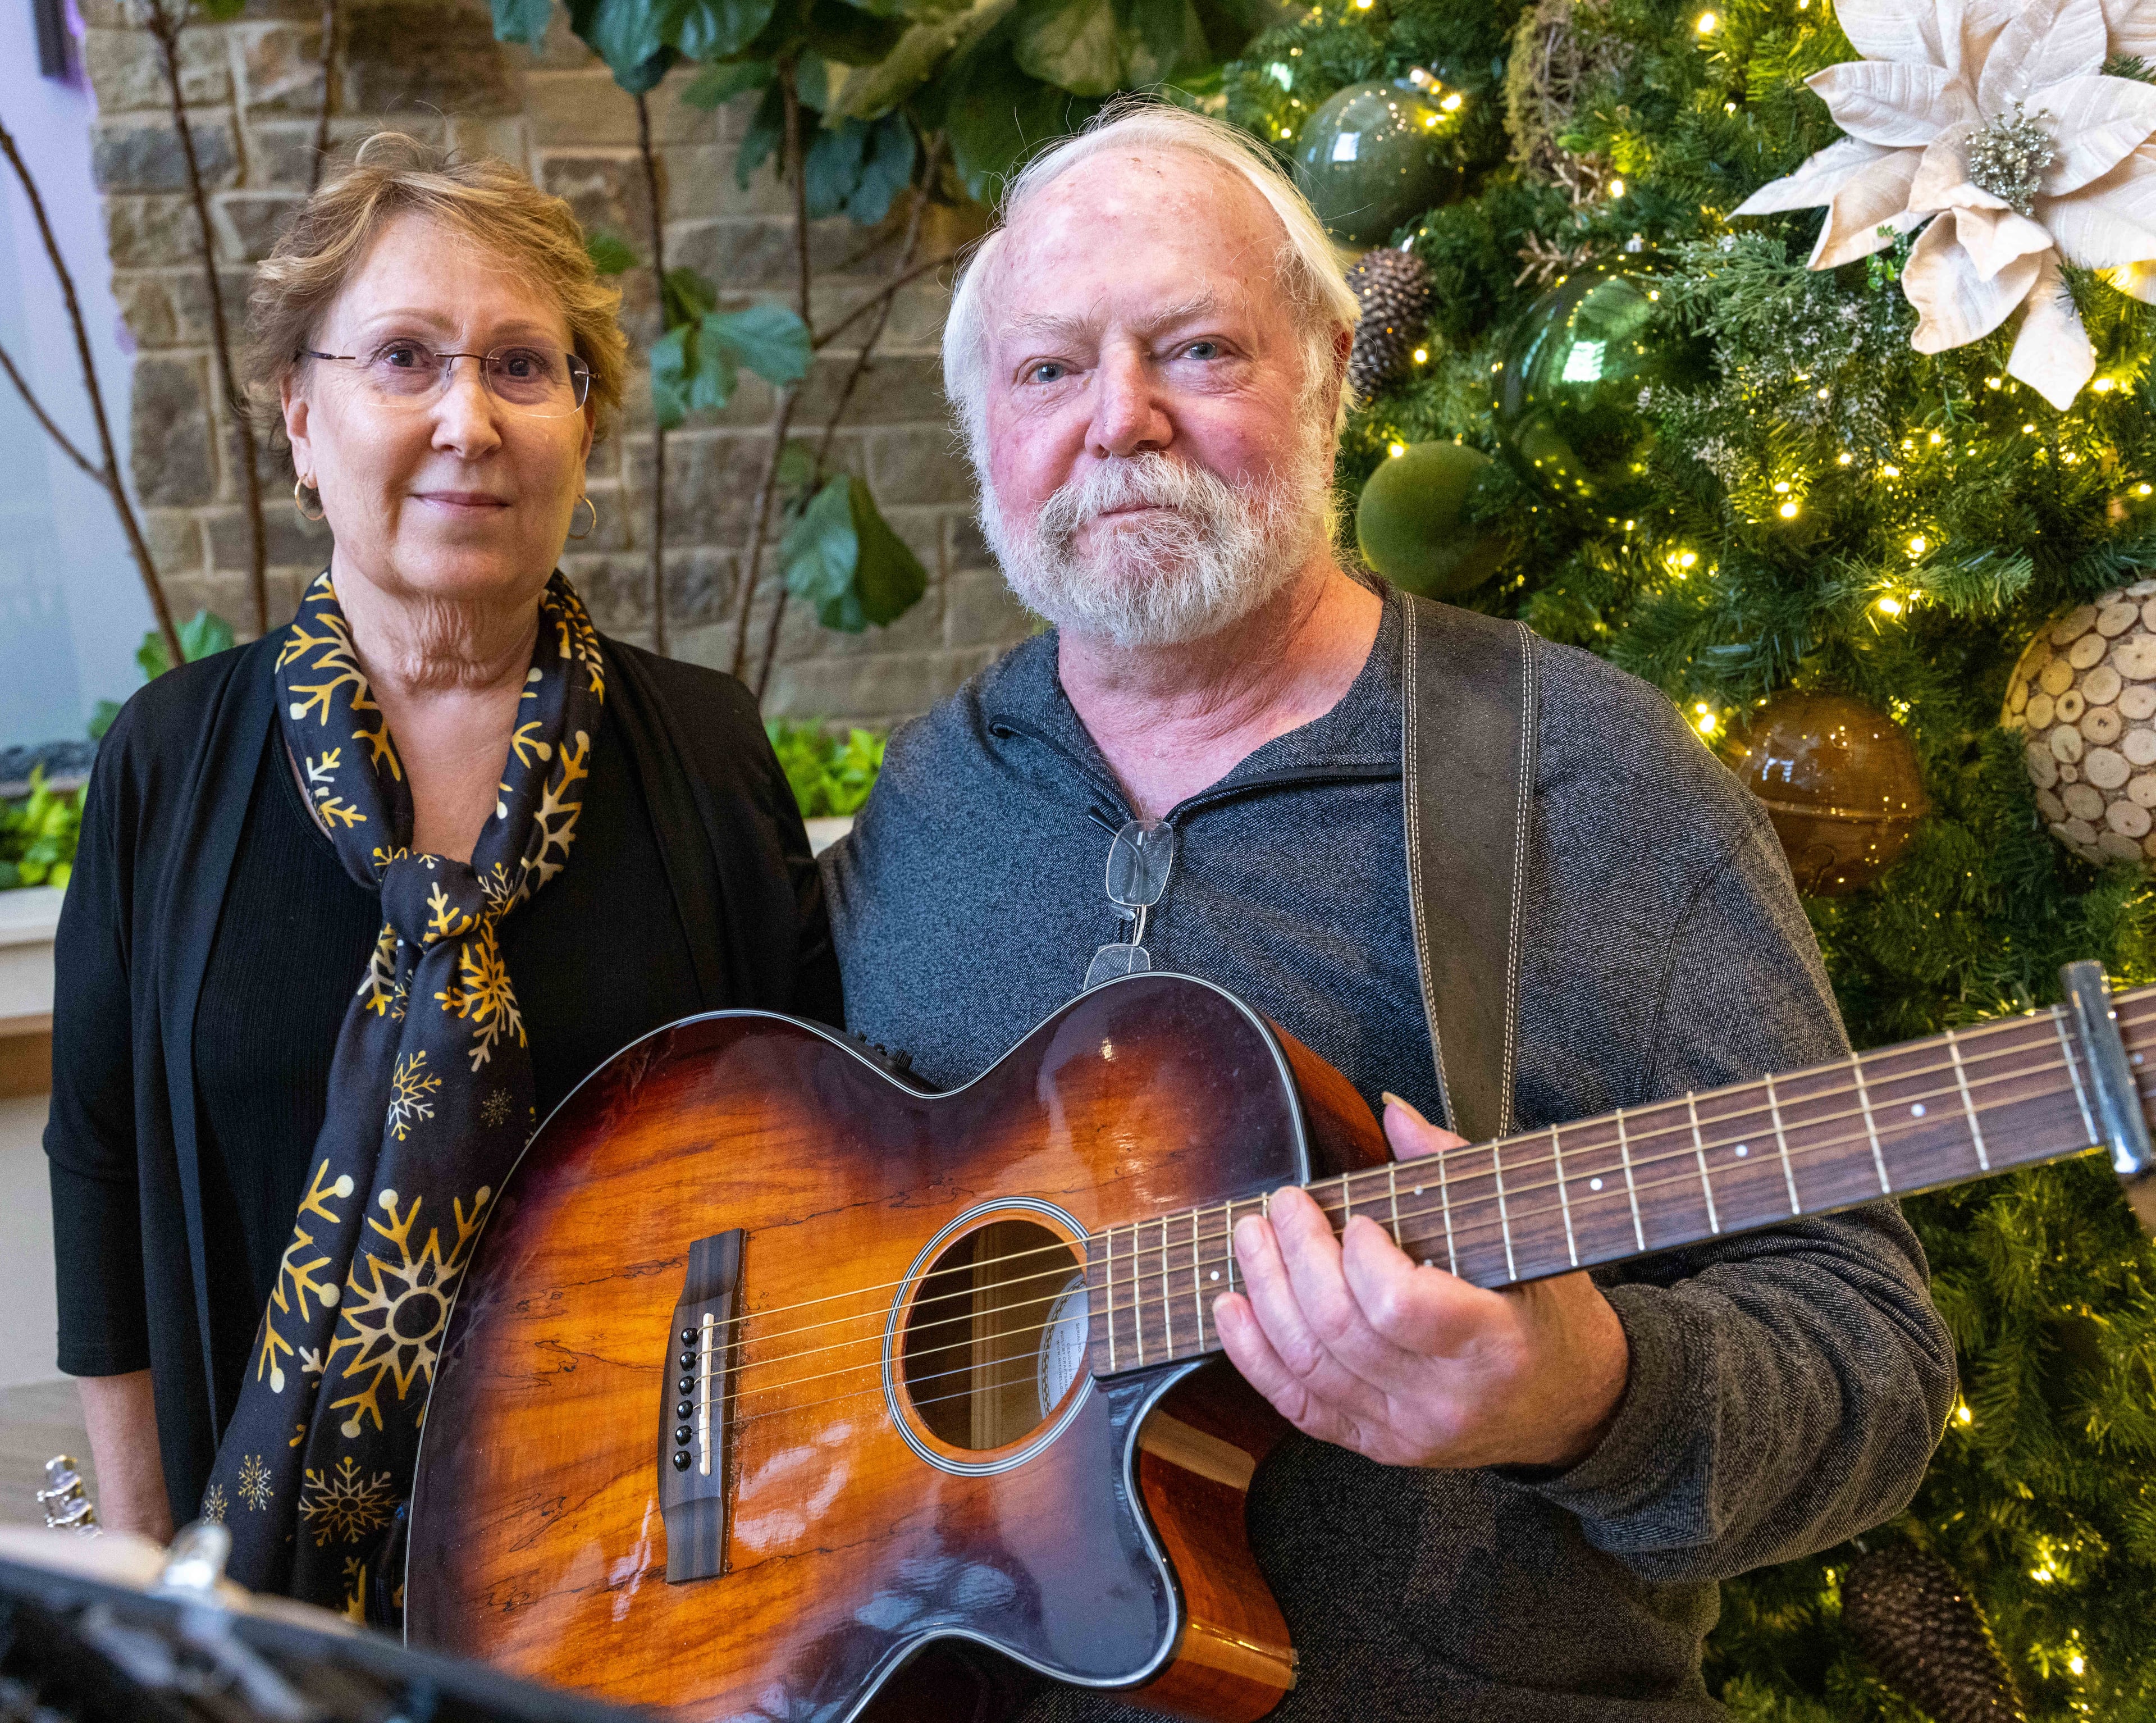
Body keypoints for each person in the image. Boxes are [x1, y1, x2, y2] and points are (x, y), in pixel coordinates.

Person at [821, 101, 1956, 1719]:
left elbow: (1874, 1364)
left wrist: (1586, 1396)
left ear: (1335, 374)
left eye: (1198, 349)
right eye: (1050, 370)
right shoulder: (938, 792)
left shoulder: (1588, 780)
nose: (1119, 419)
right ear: (984, 429)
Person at [44, 134, 840, 1617]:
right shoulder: (166, 762)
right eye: (404, 358)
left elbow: (809, 1174)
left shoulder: (712, 753)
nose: (468, 419)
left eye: (524, 366)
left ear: (582, 425)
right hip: (259, 1604)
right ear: (300, 416)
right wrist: (159, 1584)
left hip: (648, 1603)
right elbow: (100, 1170)